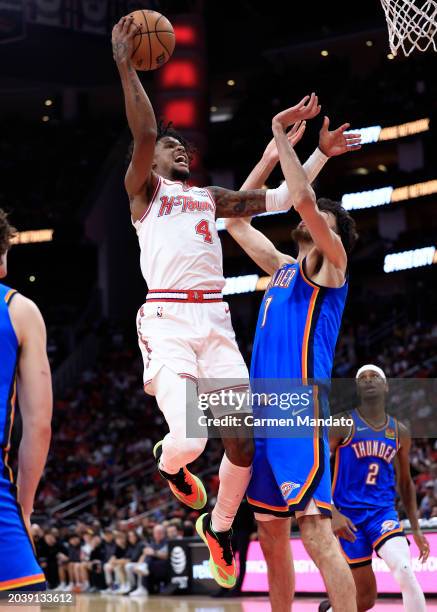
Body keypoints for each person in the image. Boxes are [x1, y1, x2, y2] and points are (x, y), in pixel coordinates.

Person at [111, 15, 324, 588]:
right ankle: (169, 462)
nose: (177, 148)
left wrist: (309, 151)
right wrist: (126, 64)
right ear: (150, 162)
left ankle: (220, 525)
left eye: (182, 145)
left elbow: (281, 197)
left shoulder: (209, 198)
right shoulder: (145, 194)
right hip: (169, 320)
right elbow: (147, 135)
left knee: (242, 441)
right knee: (191, 438)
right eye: (168, 146)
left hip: (215, 320)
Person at [225, 105, 361, 611]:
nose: (311, 212)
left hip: (296, 412)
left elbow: (301, 198)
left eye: (322, 215)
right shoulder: (284, 269)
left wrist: (283, 133)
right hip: (262, 414)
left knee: (315, 529)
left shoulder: (333, 270)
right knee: (270, 536)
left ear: (331, 234)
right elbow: (235, 218)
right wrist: (275, 156)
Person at [321, 364, 429, 612]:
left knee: (403, 569)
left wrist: (416, 529)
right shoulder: (342, 424)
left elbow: (405, 482)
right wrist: (333, 512)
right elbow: (319, 468)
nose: (369, 381)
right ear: (358, 388)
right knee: (365, 599)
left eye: (375, 377)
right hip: (349, 519)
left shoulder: (399, 431)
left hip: (382, 514)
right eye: (363, 378)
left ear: (386, 386)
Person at [0, 209, 52, 592]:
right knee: (28, 600)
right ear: (2, 260)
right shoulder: (18, 310)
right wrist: (25, 508)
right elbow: (37, 425)